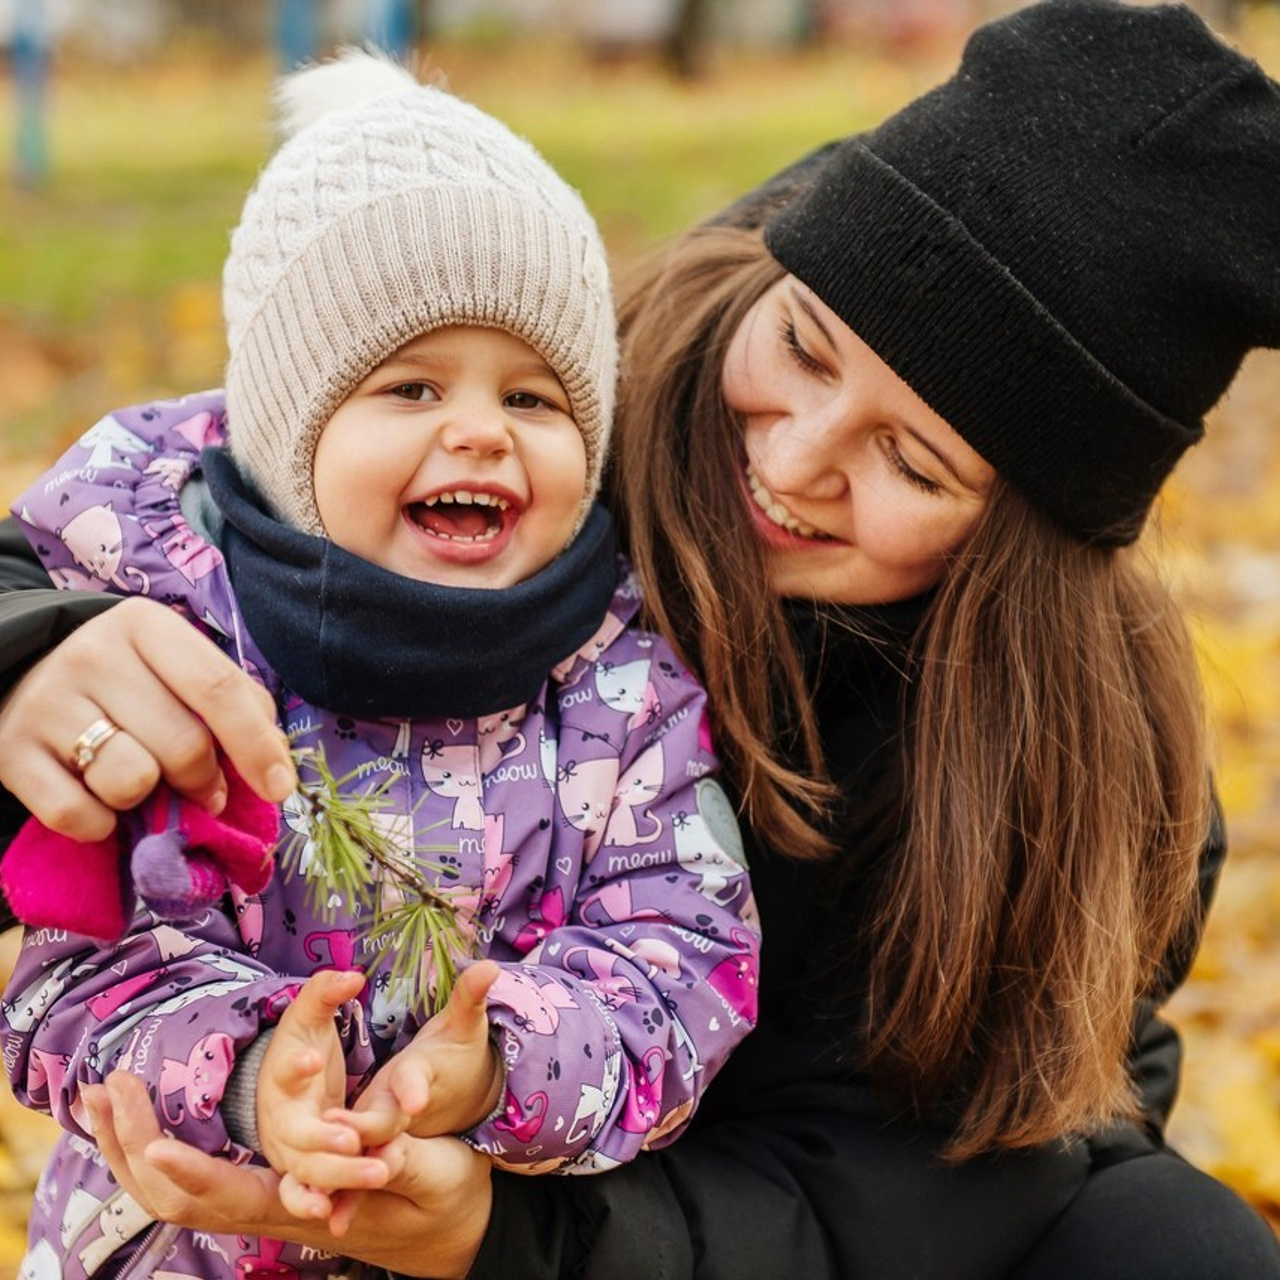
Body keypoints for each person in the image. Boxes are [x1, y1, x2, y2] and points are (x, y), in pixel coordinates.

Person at [3, 1, 1280, 1277]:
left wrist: (501, 1236)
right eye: (801, 344)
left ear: (1025, 548)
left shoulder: (1059, 771)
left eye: (909, 460)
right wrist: (26, 654)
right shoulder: (531, 390)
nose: (788, 461)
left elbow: (900, 1196)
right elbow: (195, 474)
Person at [0, 47, 759, 1280]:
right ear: (295, 430)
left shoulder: (624, 681)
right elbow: (71, 974)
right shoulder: (173, 633)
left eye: (532, 397)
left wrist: (505, 1066)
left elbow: (683, 954)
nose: (477, 428)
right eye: (410, 386)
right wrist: (251, 1077)